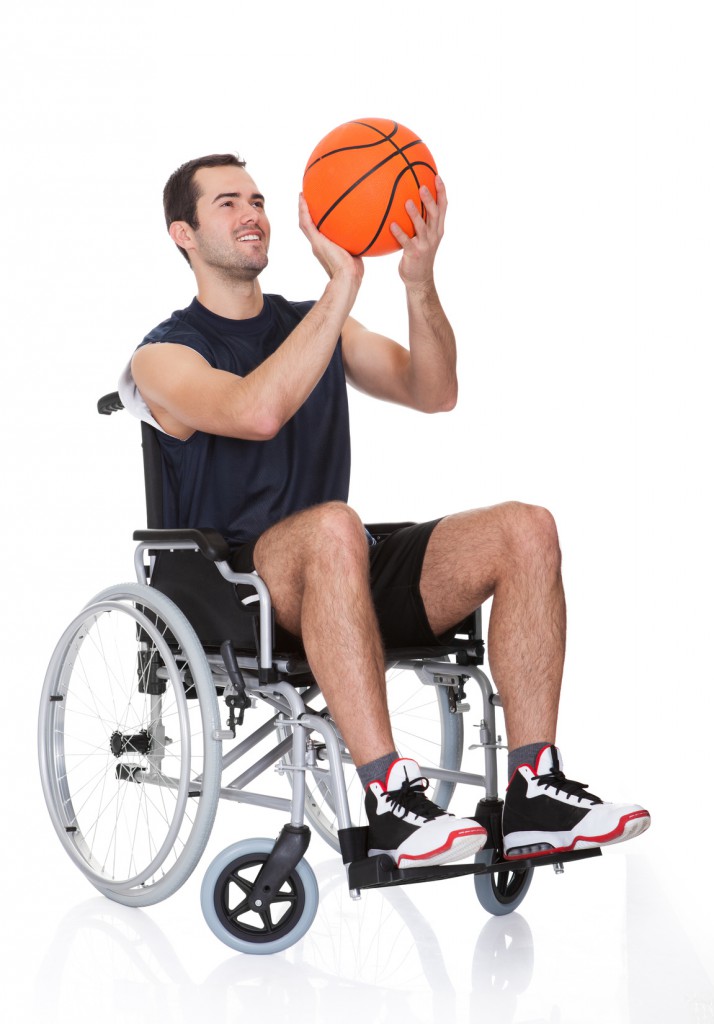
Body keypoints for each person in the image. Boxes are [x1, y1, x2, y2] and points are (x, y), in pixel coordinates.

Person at [120, 152, 650, 870]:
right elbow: (258, 411)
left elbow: (433, 390)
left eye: (257, 199)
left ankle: (534, 790)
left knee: (527, 527)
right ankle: (390, 798)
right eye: (227, 204)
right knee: (336, 524)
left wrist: (417, 279)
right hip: (236, 584)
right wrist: (344, 284)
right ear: (183, 234)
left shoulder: (315, 323)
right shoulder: (163, 356)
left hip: (344, 563)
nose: (252, 214)